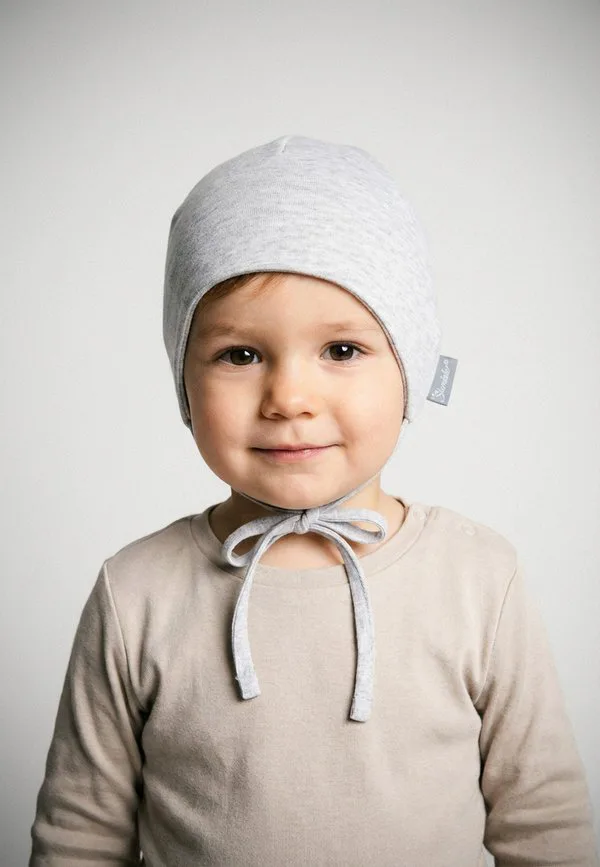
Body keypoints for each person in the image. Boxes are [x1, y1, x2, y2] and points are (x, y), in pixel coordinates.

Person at [29, 135, 599, 866]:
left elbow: (544, 826)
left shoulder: (480, 579)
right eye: (240, 354)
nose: (289, 398)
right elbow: (79, 838)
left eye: (341, 350)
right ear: (184, 378)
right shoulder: (136, 592)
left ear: (412, 364)